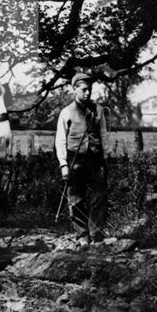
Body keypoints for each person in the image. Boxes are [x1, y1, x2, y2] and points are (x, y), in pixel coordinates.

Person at [55, 72, 109, 245]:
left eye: (90, 90)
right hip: (74, 160)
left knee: (99, 196)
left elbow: (104, 135)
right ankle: (82, 236)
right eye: (84, 90)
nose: (87, 93)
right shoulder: (66, 112)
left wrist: (106, 157)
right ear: (74, 89)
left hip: (95, 160)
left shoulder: (98, 110)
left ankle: (96, 234)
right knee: (76, 199)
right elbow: (60, 139)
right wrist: (63, 164)